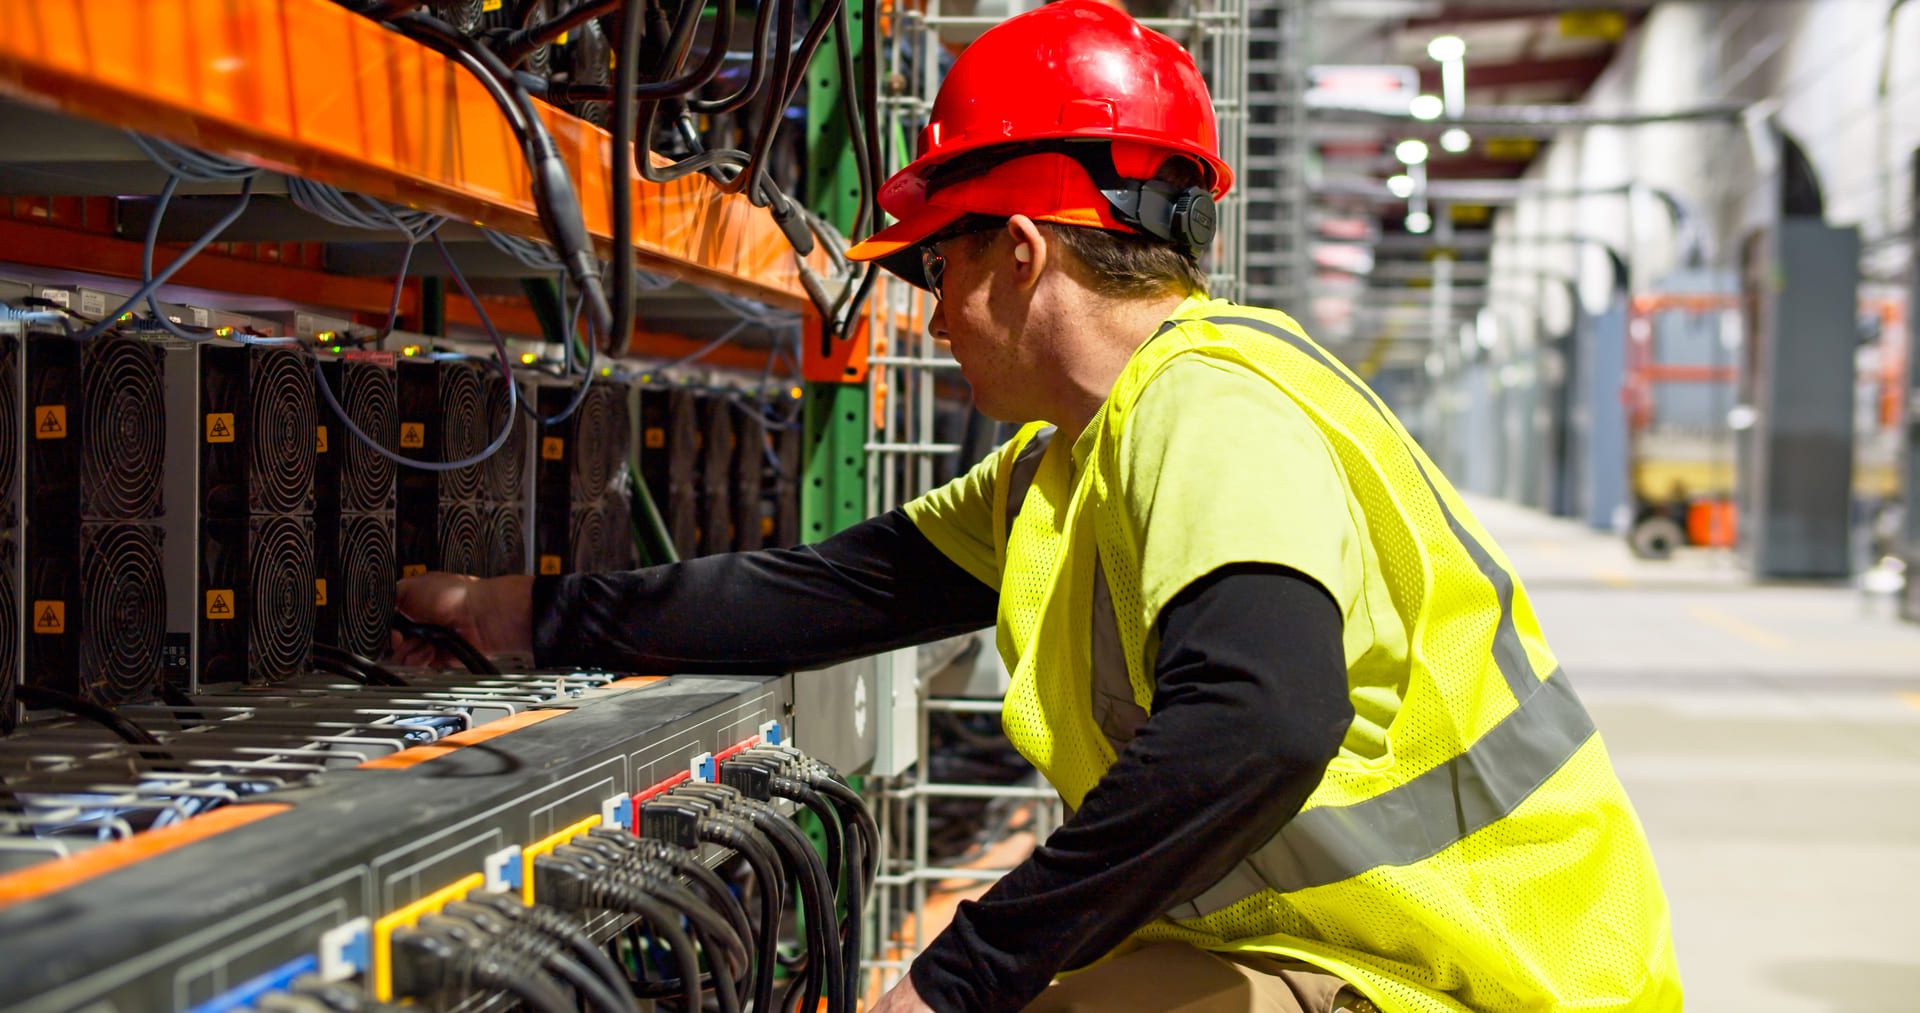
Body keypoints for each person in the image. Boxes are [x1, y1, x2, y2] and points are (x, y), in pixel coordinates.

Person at [394, 2, 1684, 1010]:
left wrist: (960, 976)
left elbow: (1263, 717)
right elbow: (829, 591)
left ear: (1023, 254)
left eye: (942, 269)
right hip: (1366, 960)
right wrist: (513, 616)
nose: (934, 315)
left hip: (1476, 983)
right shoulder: (1073, 460)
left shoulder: (1209, 406)